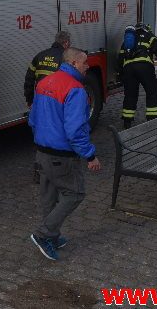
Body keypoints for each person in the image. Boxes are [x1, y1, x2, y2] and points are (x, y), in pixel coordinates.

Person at [28, 47, 102, 261]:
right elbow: (76, 130)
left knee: (48, 197)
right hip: (62, 156)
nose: (88, 66)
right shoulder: (76, 89)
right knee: (75, 193)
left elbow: (33, 119)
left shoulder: (44, 83)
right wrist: (90, 156)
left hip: (42, 152)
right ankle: (44, 234)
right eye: (85, 62)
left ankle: (51, 236)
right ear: (74, 64)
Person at [24, 31, 71, 184]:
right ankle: (59, 171)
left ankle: (39, 171)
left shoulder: (40, 56)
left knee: (40, 137)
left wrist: (30, 100)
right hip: (55, 104)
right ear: (66, 43)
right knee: (56, 136)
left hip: (39, 103)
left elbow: (29, 79)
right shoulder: (65, 59)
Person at [117, 23, 157, 130]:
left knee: (130, 95)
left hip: (128, 69)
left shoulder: (128, 40)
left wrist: (120, 74)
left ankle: (127, 121)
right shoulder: (149, 35)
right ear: (146, 29)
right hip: (144, 67)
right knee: (152, 92)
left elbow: (121, 57)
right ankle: (152, 120)